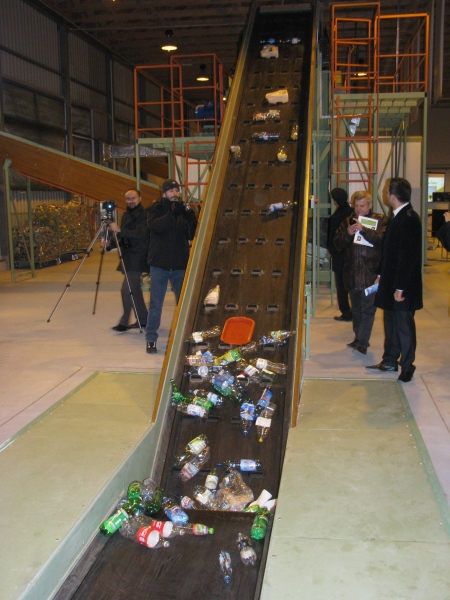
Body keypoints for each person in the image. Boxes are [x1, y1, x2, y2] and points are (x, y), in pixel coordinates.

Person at [366, 178, 423, 382]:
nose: (385, 194)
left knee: (404, 328)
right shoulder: (396, 216)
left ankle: (407, 366)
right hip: (390, 283)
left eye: (386, 191)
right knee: (391, 325)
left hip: (403, 286)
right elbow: (388, 252)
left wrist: (400, 288)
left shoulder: (409, 219)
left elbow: (407, 257)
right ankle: (390, 360)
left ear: (392, 196)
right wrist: (380, 276)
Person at [145, 179, 197, 354]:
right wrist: (172, 214)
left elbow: (192, 233)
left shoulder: (183, 210)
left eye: (176, 190)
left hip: (179, 265)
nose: (175, 194)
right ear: (164, 193)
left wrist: (190, 216)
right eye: (171, 191)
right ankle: (151, 338)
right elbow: (155, 226)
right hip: (159, 265)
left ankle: (185, 337)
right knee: (156, 305)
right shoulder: (155, 209)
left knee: (183, 304)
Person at [334, 191, 387, 354]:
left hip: (371, 273)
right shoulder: (346, 222)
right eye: (356, 206)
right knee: (356, 308)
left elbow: (383, 239)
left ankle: (363, 342)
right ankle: (358, 338)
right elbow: (337, 244)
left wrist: (364, 230)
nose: (358, 209)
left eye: (362, 206)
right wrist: (348, 234)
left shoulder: (380, 220)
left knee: (368, 309)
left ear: (370, 205)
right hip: (351, 272)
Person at [108, 189, 149, 332]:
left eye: (133, 198)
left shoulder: (144, 215)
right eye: (128, 198)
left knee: (127, 290)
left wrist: (120, 230)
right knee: (134, 290)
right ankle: (143, 319)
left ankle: (124, 322)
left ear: (140, 198)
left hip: (138, 256)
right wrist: (110, 244)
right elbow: (122, 236)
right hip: (128, 256)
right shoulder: (126, 215)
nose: (131, 201)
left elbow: (141, 233)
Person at [327, 187, 353, 321]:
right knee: (354, 285)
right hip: (354, 254)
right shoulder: (353, 213)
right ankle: (357, 312)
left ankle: (346, 313)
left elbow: (331, 239)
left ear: (335, 201)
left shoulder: (335, 217)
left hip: (339, 256)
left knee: (341, 287)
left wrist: (332, 252)